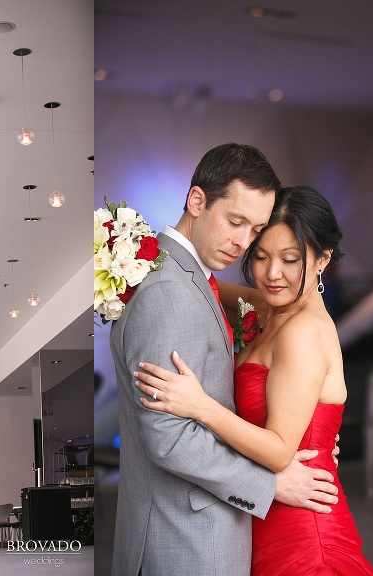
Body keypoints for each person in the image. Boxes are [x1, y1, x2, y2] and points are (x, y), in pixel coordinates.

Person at [109, 144, 339, 576]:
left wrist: (317, 437)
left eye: (255, 230)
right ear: (197, 201)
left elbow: (266, 303)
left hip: (208, 531)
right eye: (235, 222)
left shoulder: (188, 277)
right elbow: (170, 439)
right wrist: (270, 483)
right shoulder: (169, 293)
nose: (243, 243)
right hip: (184, 538)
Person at [135, 185, 373, 575]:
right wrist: (127, 251)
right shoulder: (268, 306)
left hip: (302, 531)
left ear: (323, 259)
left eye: (290, 259)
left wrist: (201, 406)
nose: (272, 273)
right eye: (260, 257)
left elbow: (282, 452)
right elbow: (195, 282)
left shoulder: (304, 332)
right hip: (264, 516)